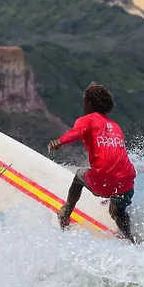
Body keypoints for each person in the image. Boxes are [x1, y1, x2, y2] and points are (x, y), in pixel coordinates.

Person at [48, 82, 137, 244]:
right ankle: (130, 240)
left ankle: (65, 212)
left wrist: (60, 141)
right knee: (117, 211)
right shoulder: (116, 127)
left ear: (89, 103)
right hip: (127, 182)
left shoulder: (87, 120)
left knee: (78, 176)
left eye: (84, 101)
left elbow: (75, 132)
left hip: (103, 181)